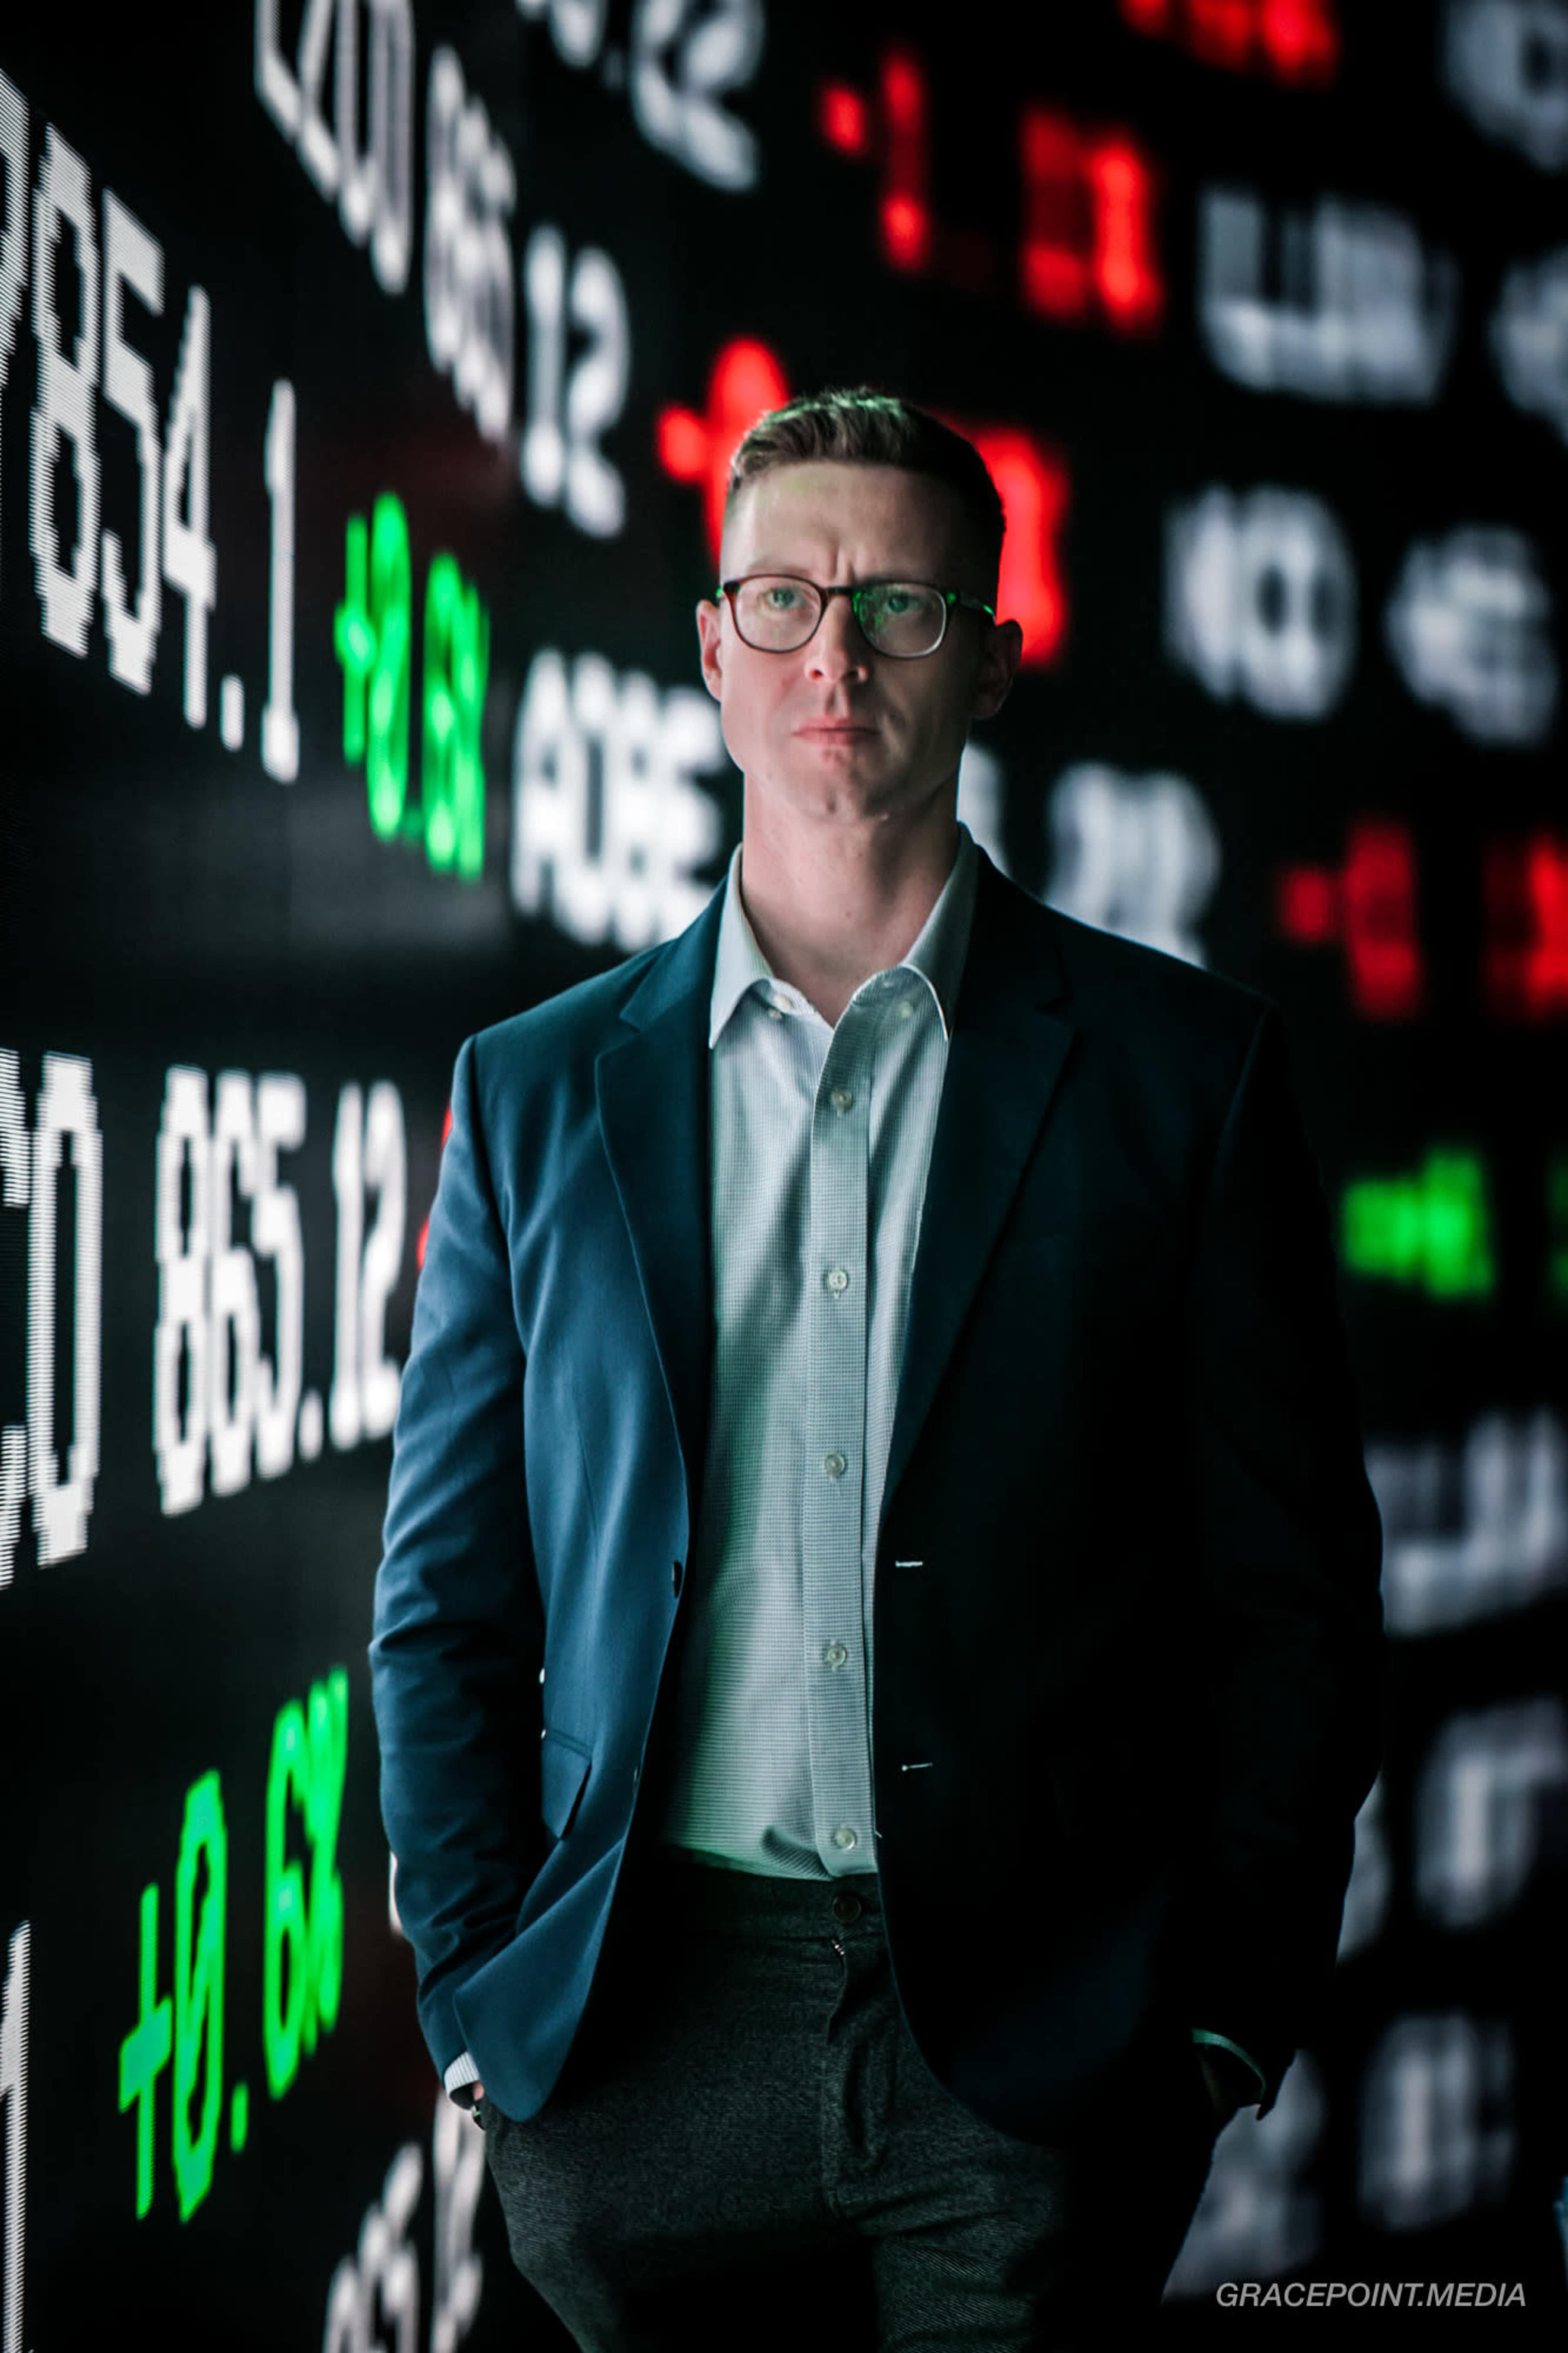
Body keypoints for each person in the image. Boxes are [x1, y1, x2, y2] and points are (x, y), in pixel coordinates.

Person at [370, 388, 1384, 2350]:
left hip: (1041, 2040)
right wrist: (483, 2006)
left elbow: (1297, 1608)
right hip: (631, 2033)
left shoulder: (1190, 1081)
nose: (835, 649)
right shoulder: (533, 1092)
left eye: (900, 603)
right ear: (715, 651)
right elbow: (443, 1597)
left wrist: (1213, 2029)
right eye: (784, 597)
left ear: (990, 661)